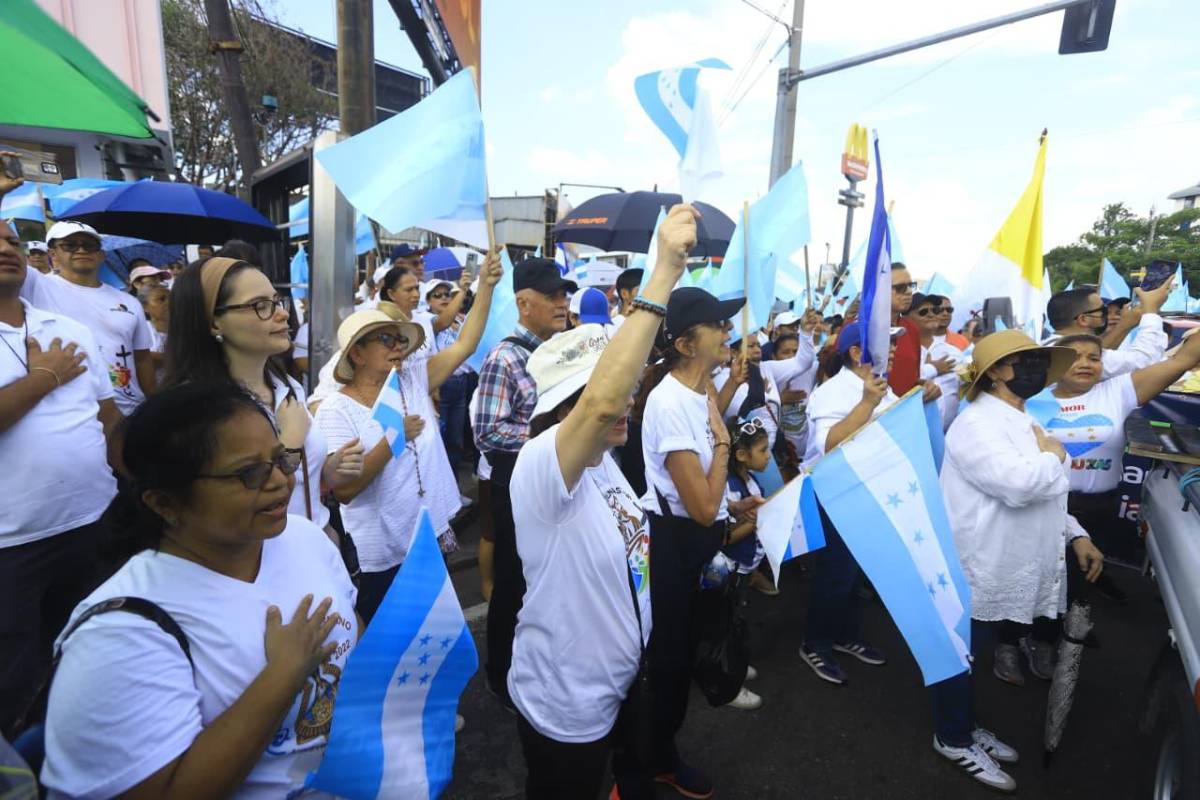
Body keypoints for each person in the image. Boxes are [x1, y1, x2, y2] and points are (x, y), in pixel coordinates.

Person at [40, 383, 358, 798]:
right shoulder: (117, 636)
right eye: (249, 473)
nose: (281, 482)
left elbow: (354, 635)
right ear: (164, 503)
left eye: (280, 459)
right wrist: (282, 675)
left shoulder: (302, 538)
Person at [507, 209, 696, 800]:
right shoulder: (540, 466)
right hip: (565, 702)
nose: (624, 403)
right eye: (599, 394)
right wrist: (663, 271)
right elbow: (602, 403)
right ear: (563, 408)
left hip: (617, 683)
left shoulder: (607, 462)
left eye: (624, 389)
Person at [939, 331, 1103, 778]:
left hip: (1011, 561)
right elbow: (1020, 484)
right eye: (1023, 360)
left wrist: (1076, 534)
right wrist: (1054, 457)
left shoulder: (1023, 416)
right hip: (981, 564)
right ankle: (952, 737)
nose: (1034, 367)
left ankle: (965, 725)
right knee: (961, 656)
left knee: (974, 654)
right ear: (994, 371)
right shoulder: (975, 424)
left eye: (1038, 360)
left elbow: (1047, 494)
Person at [316, 251, 502, 622]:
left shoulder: (413, 380)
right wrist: (394, 440)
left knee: (432, 633)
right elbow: (346, 491)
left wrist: (487, 289)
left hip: (430, 536)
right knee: (391, 642)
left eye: (400, 340)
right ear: (357, 353)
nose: (398, 347)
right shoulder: (336, 410)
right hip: (385, 553)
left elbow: (464, 345)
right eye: (387, 340)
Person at [0, 219, 122, 732]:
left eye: (9, 239)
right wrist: (44, 378)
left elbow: (109, 419)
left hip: (94, 525)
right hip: (12, 545)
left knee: (87, 659)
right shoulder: (54, 356)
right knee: (11, 681)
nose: (5, 248)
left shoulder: (69, 331)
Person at [634, 284, 745, 800]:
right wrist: (724, 449)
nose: (728, 332)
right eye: (718, 324)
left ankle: (660, 745)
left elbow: (709, 498)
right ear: (684, 343)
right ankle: (656, 759)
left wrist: (734, 505)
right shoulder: (670, 401)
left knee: (694, 643)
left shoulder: (700, 390)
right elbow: (699, 506)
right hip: (678, 545)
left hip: (698, 540)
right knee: (671, 662)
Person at [165, 257, 364, 544]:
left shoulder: (285, 385)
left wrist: (330, 473)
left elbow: (304, 485)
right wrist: (291, 445)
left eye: (276, 301)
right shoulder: (198, 411)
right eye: (260, 306)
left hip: (317, 552)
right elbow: (238, 496)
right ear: (214, 322)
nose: (282, 314)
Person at [473, 257, 575, 706]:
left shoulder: (564, 349)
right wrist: (554, 436)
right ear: (523, 302)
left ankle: (540, 663)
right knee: (514, 582)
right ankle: (501, 674)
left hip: (552, 480)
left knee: (548, 578)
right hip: (514, 484)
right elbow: (487, 430)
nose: (562, 302)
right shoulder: (505, 356)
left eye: (564, 294)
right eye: (553, 295)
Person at [1026, 331, 1200, 585]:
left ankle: (1079, 617)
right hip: (1045, 505)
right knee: (1043, 580)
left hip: (1100, 508)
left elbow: (1181, 361)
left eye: (1094, 358)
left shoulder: (1118, 390)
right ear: (1054, 364)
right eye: (1075, 358)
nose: (1085, 364)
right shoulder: (1030, 400)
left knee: (1087, 578)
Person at [799, 323, 918, 685]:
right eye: (887, 342)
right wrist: (867, 404)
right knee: (836, 574)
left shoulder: (881, 385)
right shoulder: (833, 392)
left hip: (870, 492)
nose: (895, 348)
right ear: (855, 353)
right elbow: (831, 444)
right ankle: (815, 643)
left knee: (853, 574)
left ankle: (843, 635)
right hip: (838, 494)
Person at [21, 221, 156, 413]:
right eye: (70, 245)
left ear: (101, 255)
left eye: (89, 245)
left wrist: (152, 403)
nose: (81, 250)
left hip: (131, 411)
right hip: (74, 413)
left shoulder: (129, 301)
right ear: (53, 254)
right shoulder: (36, 284)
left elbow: (142, 358)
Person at [718, 416, 771, 708]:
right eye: (763, 450)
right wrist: (756, 522)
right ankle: (729, 683)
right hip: (731, 569)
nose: (768, 456)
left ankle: (734, 665)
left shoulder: (749, 479)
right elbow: (724, 538)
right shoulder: (730, 487)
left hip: (744, 568)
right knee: (728, 625)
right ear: (741, 455)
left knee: (736, 620)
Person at [1044, 283, 1170, 378]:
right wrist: (1151, 311)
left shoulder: (1052, 345)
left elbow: (1101, 352)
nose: (1108, 316)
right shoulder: (1072, 353)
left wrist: (1126, 324)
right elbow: (1144, 360)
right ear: (1083, 319)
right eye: (1103, 311)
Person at [908, 293, 963, 431]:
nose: (931, 314)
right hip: (916, 435)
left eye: (935, 310)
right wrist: (931, 369)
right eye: (923, 311)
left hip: (948, 435)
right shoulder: (901, 353)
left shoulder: (953, 352)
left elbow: (972, 380)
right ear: (907, 319)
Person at [887, 262, 922, 395]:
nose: (908, 292)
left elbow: (913, 378)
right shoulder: (858, 328)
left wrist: (925, 385)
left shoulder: (911, 329)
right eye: (901, 287)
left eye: (910, 285)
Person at [136, 283, 170, 385]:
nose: (168, 303)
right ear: (145, 307)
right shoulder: (142, 329)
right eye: (161, 299)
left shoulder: (182, 328)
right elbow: (139, 357)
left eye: (171, 298)